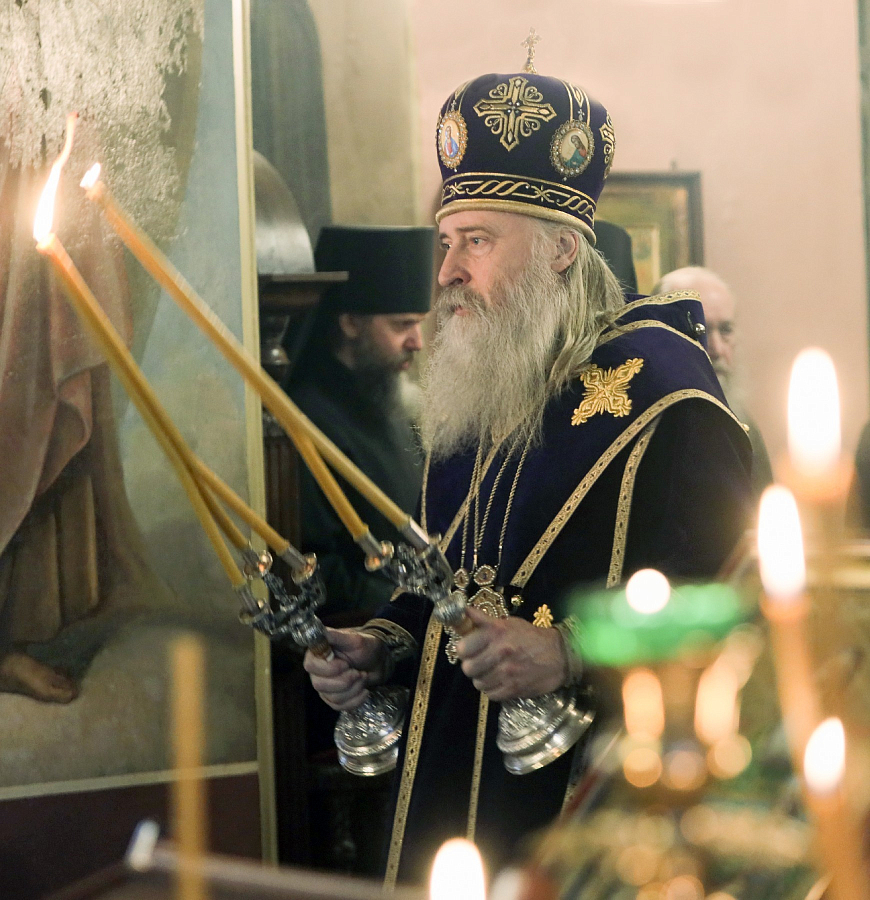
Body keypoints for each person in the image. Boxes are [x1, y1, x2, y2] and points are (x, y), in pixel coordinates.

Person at [304, 60, 752, 886]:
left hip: (603, 798)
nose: (448, 272)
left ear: (561, 249)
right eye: (447, 242)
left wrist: (571, 652)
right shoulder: (481, 384)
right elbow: (443, 577)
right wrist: (379, 644)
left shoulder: (664, 391)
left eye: (477, 241)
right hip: (447, 788)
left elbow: (736, 597)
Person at [287, 225, 433, 619]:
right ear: (350, 323)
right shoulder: (306, 421)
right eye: (402, 325)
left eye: (419, 323)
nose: (417, 341)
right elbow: (318, 571)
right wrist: (418, 604)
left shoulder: (391, 403)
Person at [655, 266, 773, 501]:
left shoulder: (743, 423)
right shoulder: (651, 432)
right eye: (700, 331)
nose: (717, 349)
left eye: (726, 330)